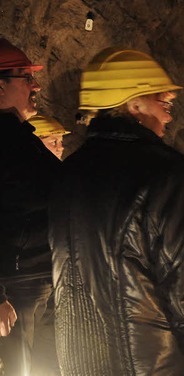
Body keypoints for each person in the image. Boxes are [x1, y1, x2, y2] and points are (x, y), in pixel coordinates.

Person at [48, 47, 184, 375]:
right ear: (133, 105)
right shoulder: (164, 173)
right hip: (155, 364)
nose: (169, 116)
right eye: (164, 104)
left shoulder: (66, 174)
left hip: (79, 362)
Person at [0, 38, 61, 375]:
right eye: (25, 77)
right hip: (18, 284)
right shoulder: (8, 143)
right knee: (23, 367)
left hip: (39, 275)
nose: (35, 86)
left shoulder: (20, 137)